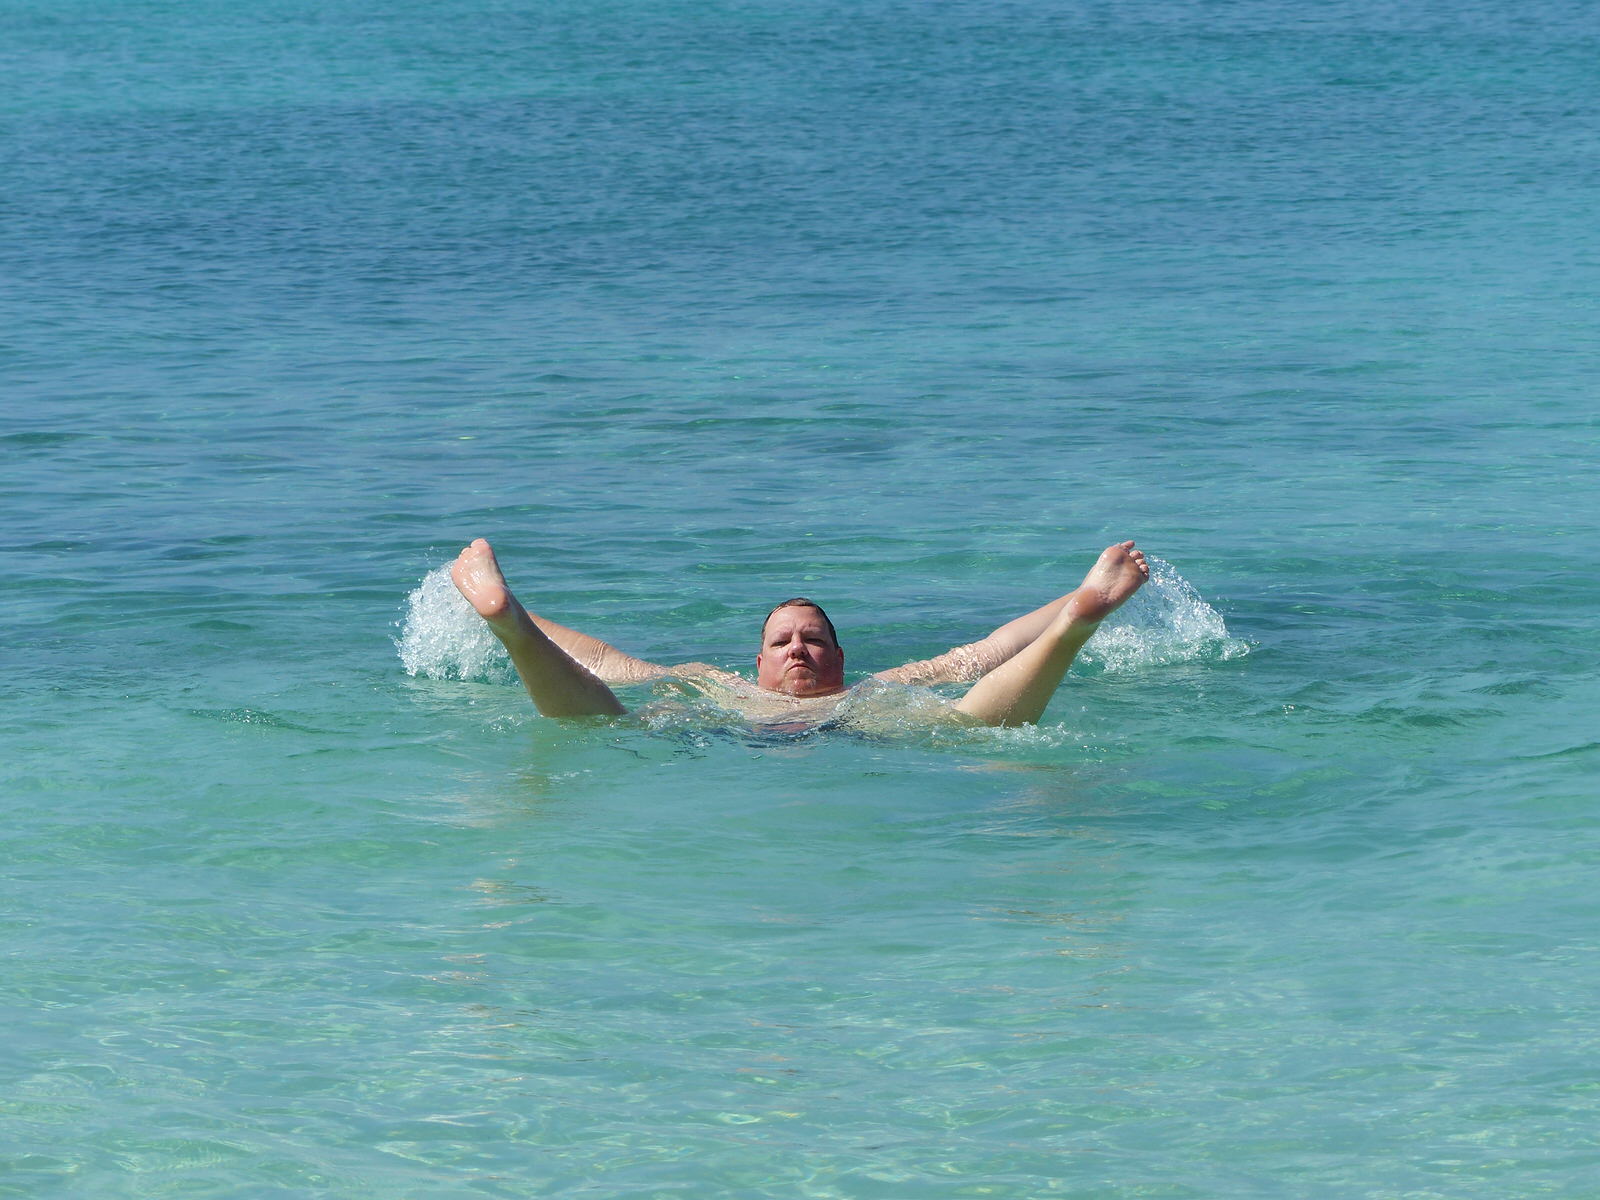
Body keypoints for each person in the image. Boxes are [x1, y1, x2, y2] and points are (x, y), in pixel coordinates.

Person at [448, 537, 1149, 727]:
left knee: (968, 719)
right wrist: (520, 612)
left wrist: (1077, 594)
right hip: (734, 732)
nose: (798, 649)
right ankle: (509, 624)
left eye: (812, 640)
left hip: (858, 729)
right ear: (757, 662)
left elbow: (990, 649)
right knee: (610, 717)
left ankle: (1076, 623)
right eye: (782, 642)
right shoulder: (712, 684)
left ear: (839, 657)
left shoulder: (880, 688)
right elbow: (603, 658)